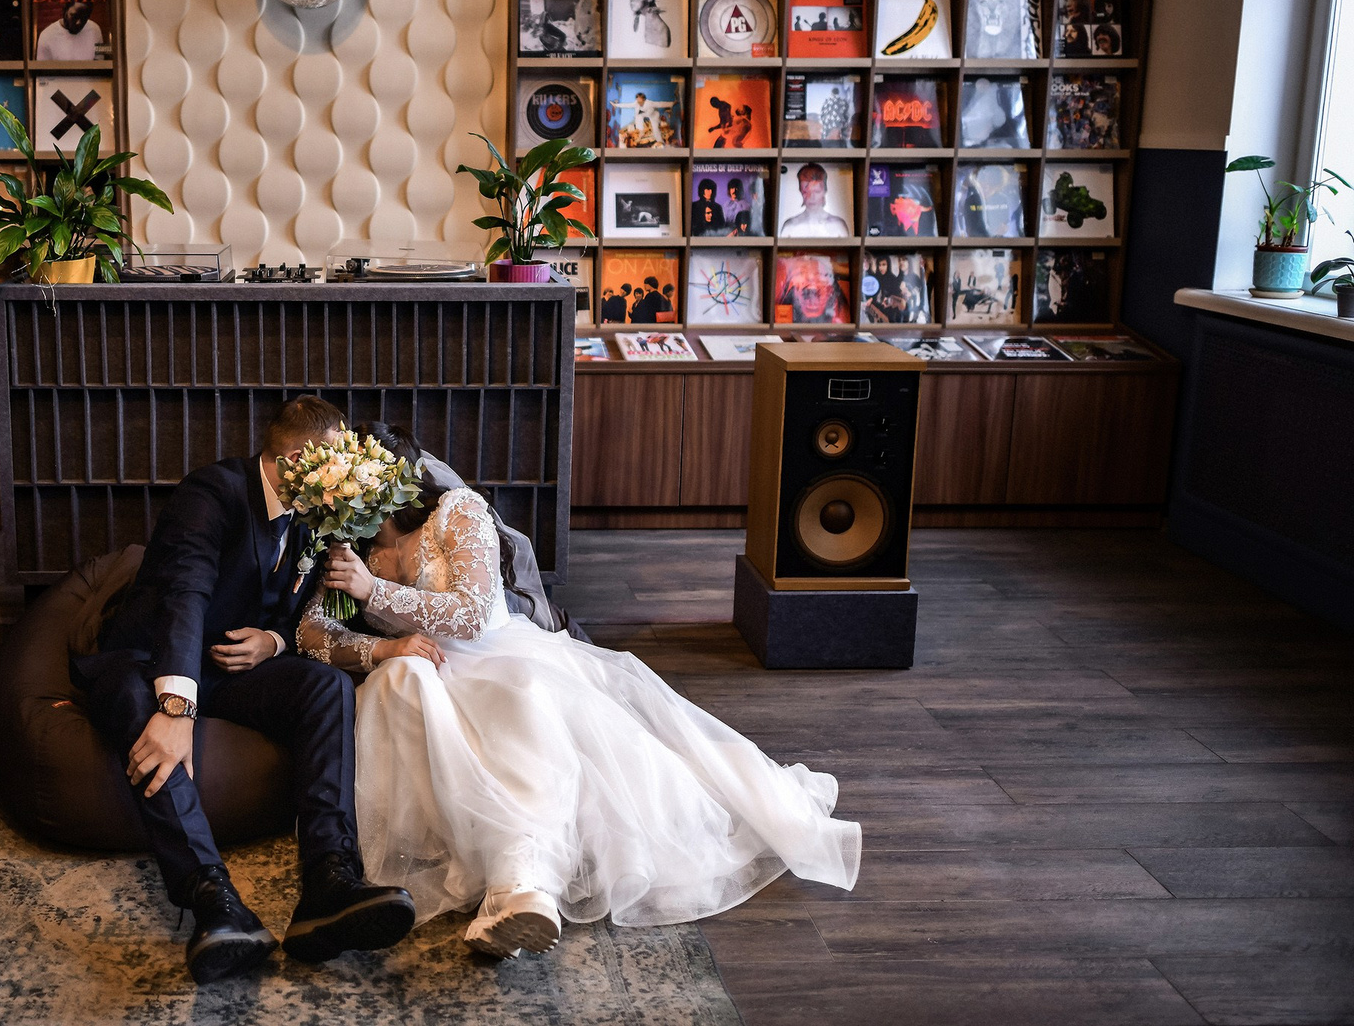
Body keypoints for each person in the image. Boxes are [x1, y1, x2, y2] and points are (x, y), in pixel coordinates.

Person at [300, 423, 860, 959]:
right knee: (404, 680)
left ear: (397, 478)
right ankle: (517, 890)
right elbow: (311, 632)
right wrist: (382, 649)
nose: (354, 497)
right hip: (426, 671)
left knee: (521, 700)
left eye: (362, 481)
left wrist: (376, 593)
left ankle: (522, 886)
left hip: (500, 656)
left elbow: (474, 613)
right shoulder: (347, 551)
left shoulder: (456, 511)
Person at [77, 396, 417, 984]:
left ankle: (330, 878)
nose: (344, 483)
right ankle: (213, 899)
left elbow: (298, 610)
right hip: (150, 657)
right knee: (136, 707)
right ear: (296, 463)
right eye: (336, 466)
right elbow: (185, 594)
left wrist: (274, 641)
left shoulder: (317, 512)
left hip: (233, 664)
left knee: (327, 687)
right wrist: (175, 708)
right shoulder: (213, 492)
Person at [778, 163, 849, 237]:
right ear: (800, 191)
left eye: (817, 191)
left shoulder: (838, 225)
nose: (812, 197)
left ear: (825, 190)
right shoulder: (790, 226)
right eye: (806, 192)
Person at [35, 0, 103, 60]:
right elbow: (42, 68)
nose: (78, 22)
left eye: (84, 17)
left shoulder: (95, 29)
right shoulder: (46, 35)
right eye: (74, 16)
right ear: (65, 11)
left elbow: (101, 61)